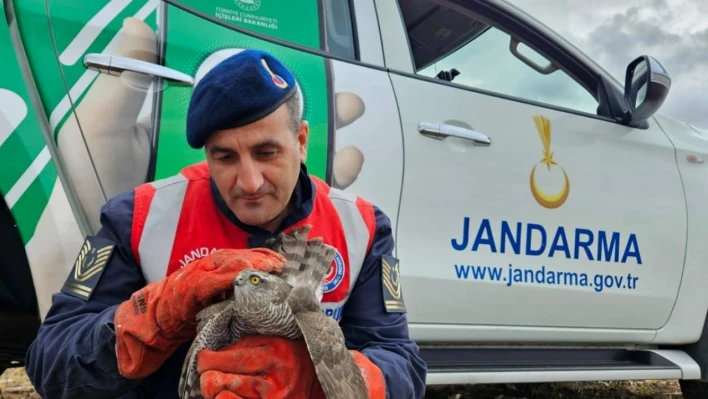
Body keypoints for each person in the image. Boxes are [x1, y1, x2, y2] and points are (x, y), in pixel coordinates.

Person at [24, 49, 427, 398]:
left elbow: (402, 366)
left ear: (301, 142)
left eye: (267, 152)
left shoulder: (361, 225)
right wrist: (152, 315)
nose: (249, 182)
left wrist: (323, 381)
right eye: (225, 157)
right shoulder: (138, 217)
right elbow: (50, 362)